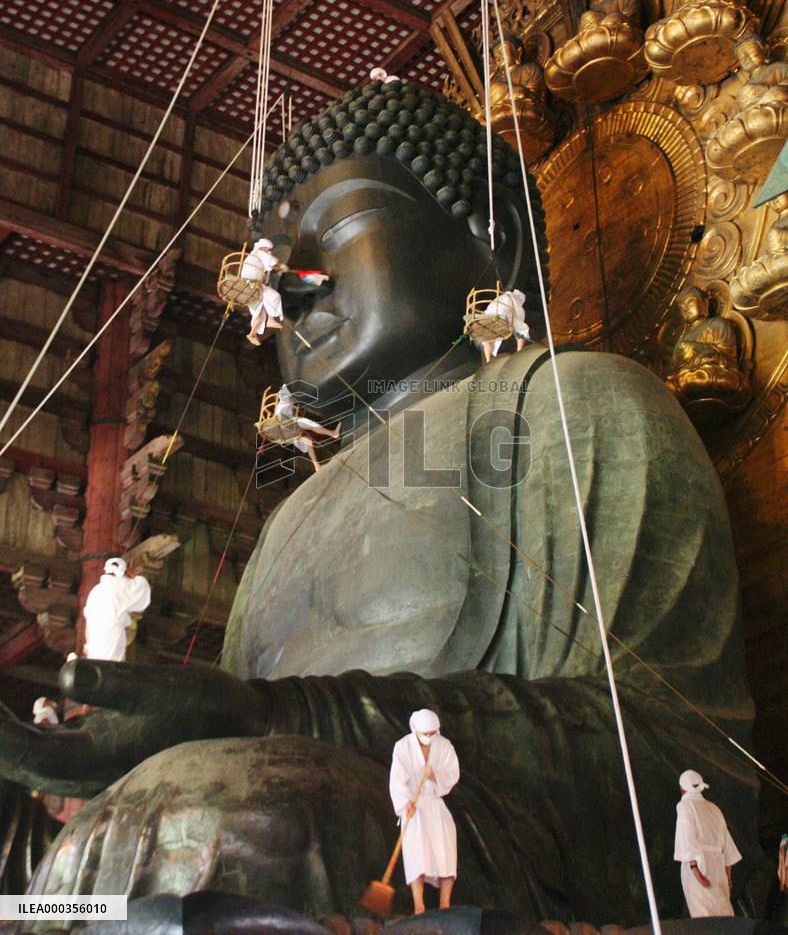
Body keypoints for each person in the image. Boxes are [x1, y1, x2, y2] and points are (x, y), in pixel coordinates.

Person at [0, 78, 758, 926]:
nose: (290, 291)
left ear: (489, 241)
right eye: (272, 275)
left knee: (241, 812)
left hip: (466, 850)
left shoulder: (576, 404)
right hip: (271, 811)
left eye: (335, 236)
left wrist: (281, 719)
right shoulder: (290, 522)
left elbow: (670, 751)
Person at [389, 709, 459, 914]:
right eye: (425, 733)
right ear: (415, 730)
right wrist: (405, 802)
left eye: (432, 732)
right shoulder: (402, 747)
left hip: (435, 804)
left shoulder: (444, 746)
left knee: (445, 852)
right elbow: (396, 779)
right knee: (416, 855)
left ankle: (445, 903)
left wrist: (434, 776)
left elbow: (452, 774)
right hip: (414, 806)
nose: (429, 736)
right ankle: (419, 905)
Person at [674, 769, 741, 917]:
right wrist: (728, 877)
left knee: (704, 917)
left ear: (682, 788)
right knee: (724, 916)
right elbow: (727, 846)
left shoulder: (684, 806)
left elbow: (687, 839)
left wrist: (696, 872)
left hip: (700, 866)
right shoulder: (714, 808)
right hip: (719, 869)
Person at [82, 557, 151, 662]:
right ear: (122, 572)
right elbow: (142, 587)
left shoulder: (95, 590)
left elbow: (88, 623)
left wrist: (88, 645)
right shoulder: (120, 585)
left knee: (98, 666)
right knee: (111, 666)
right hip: (112, 635)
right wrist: (131, 574)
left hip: (95, 640)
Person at [273, 383, 340, 472]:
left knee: (308, 440)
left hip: (289, 431)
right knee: (309, 425)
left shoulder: (286, 404)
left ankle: (317, 466)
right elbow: (287, 387)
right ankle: (333, 433)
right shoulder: (283, 400)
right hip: (287, 426)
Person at [240, 238, 287, 345]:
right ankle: (270, 319)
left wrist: (275, 268)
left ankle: (252, 333)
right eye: (267, 249)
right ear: (263, 248)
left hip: (248, 290)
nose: (268, 251)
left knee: (259, 312)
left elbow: (267, 268)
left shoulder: (255, 260)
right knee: (275, 296)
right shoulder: (258, 253)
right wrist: (281, 265)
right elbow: (271, 260)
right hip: (252, 285)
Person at [479, 288, 529, 362]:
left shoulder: (510, 304)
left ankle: (488, 360)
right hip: (497, 315)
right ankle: (489, 360)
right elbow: (521, 331)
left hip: (496, 315)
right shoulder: (506, 311)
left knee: (488, 339)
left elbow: (521, 331)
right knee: (489, 339)